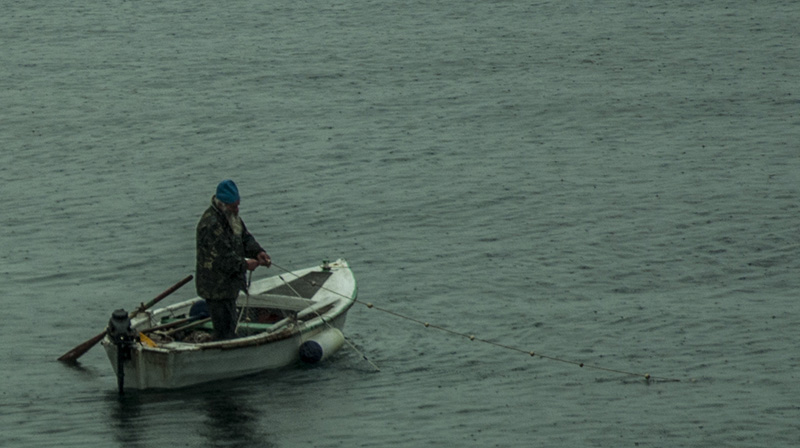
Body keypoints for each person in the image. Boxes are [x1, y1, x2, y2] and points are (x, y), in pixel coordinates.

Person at [195, 179, 271, 340]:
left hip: (230, 285)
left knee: (230, 324)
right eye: (233, 206)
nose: (237, 209)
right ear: (222, 204)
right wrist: (245, 264)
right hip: (215, 288)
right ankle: (221, 348)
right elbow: (223, 259)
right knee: (224, 331)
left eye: (238, 205)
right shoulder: (210, 225)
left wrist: (258, 252)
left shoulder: (231, 217)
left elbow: (244, 238)